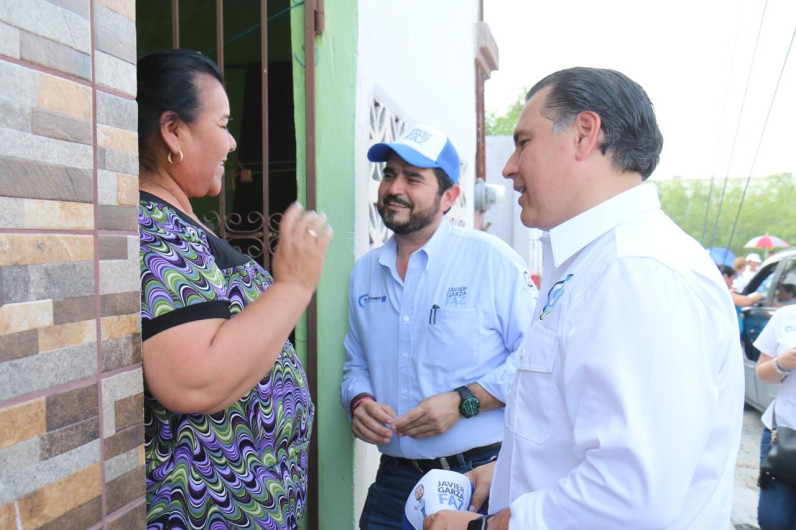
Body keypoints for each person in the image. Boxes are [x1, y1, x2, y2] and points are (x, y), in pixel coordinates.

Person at [425, 67, 744, 529]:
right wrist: (509, 471)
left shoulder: (636, 272)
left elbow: (629, 496)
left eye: (523, 142)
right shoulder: (596, 264)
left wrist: (481, 527)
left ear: (584, 134)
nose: (509, 167)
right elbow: (580, 430)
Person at [137, 49, 332, 528]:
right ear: (173, 132)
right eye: (222, 124)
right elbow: (193, 379)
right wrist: (293, 285)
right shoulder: (153, 229)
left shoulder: (175, 222)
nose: (231, 142)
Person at [340, 124, 537, 528]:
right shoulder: (365, 273)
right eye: (389, 174)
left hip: (478, 478)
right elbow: (356, 364)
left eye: (413, 178)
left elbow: (536, 359)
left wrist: (464, 401)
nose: (394, 188)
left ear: (449, 197)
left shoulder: (490, 261)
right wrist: (359, 402)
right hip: (394, 482)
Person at [753, 304, 796, 529]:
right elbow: (762, 373)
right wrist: (782, 363)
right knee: (774, 521)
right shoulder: (786, 316)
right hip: (784, 436)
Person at [719, 264, 764, 334]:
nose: (732, 283)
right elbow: (747, 301)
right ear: (725, 277)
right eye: (732, 280)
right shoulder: (722, 294)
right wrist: (759, 296)